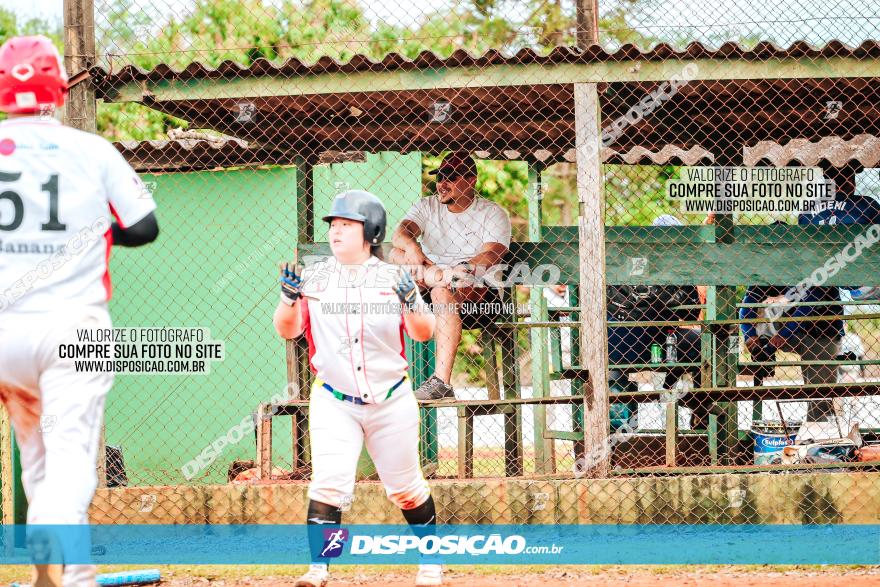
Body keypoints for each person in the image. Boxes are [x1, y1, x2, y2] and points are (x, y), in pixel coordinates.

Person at [0, 36, 159, 586]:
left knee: (37, 458)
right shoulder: (90, 149)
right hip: (73, 329)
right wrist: (98, 232)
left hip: (4, 334)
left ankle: (75, 576)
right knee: (69, 463)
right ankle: (49, 531)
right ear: (58, 90)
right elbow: (145, 227)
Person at [273, 190, 443, 587]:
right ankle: (319, 568)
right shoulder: (314, 278)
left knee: (405, 489)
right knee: (329, 484)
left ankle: (431, 563)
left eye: (346, 225)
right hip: (334, 399)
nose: (336, 232)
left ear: (370, 231)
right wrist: (287, 299)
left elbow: (424, 334)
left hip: (391, 398)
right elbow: (289, 330)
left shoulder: (392, 278)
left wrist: (412, 304)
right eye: (333, 225)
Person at [390, 153, 511, 401]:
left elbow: (492, 254)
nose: (442, 183)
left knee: (442, 290)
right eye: (440, 177)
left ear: (471, 180)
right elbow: (400, 234)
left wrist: (457, 272)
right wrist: (414, 248)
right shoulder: (427, 205)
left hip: (479, 296)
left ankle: (441, 384)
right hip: (429, 286)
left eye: (451, 177)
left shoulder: (492, 213)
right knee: (395, 253)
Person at [606, 215, 706, 429]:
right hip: (656, 344)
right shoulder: (676, 266)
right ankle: (700, 414)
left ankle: (671, 395)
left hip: (615, 345)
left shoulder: (625, 258)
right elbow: (692, 313)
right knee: (703, 346)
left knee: (684, 341)